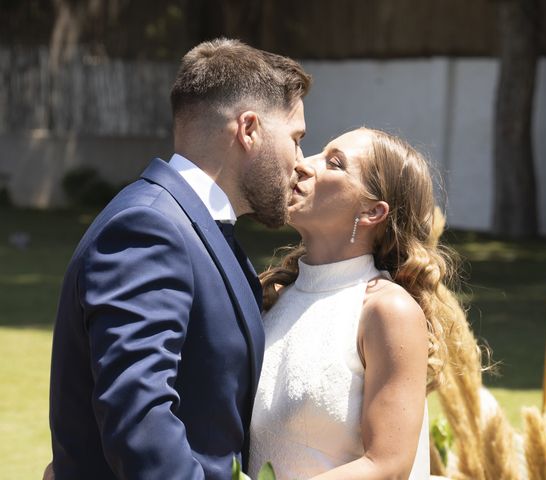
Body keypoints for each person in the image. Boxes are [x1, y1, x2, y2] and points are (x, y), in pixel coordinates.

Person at [48, 38, 310, 479]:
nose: (301, 162)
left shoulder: (194, 226)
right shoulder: (149, 228)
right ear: (249, 130)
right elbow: (140, 418)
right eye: (297, 138)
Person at [249, 127, 452, 479]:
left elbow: (388, 465)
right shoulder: (275, 298)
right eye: (317, 153)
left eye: (334, 163)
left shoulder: (385, 310)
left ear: (373, 212)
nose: (302, 164)